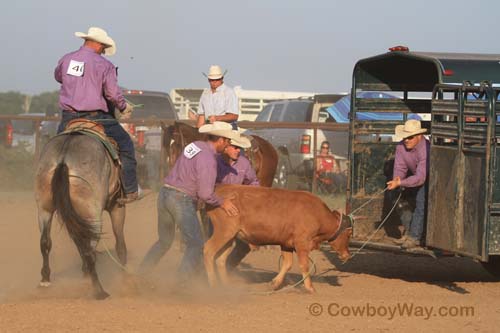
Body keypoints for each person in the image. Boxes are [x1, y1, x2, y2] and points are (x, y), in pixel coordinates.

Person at [139, 121, 240, 280]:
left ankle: (140, 275)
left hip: (165, 193)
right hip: (181, 199)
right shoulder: (209, 160)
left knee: (164, 241)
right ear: (220, 140)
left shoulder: (194, 145)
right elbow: (206, 194)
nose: (227, 146)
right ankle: (181, 283)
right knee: (196, 244)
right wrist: (223, 202)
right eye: (227, 141)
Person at [54, 27, 138, 204]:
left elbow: (59, 77)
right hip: (97, 117)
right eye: (104, 47)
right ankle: (130, 190)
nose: (104, 50)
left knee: (55, 148)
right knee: (126, 145)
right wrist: (123, 106)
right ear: (97, 43)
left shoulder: (67, 59)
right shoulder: (104, 65)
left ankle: (50, 184)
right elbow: (112, 95)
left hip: (69, 117)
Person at [387, 119, 430, 249]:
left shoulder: (426, 149)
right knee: (396, 197)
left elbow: (421, 178)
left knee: (421, 201)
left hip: (429, 178)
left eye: (410, 137)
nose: (406, 140)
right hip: (413, 177)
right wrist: (397, 181)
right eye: (405, 137)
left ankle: (415, 237)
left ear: (419, 136)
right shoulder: (401, 147)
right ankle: (411, 231)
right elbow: (400, 168)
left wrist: (401, 182)